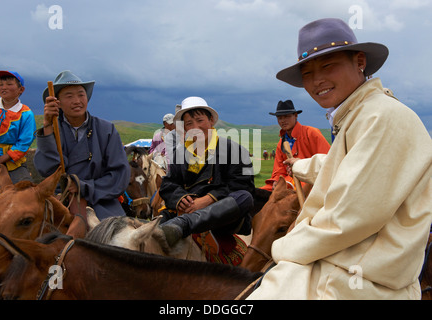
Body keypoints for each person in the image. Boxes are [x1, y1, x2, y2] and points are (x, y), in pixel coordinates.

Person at [248, 18, 432, 300]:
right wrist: (298, 165)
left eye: (327, 66)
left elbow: (349, 218)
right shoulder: (357, 116)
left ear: (359, 61)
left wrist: (284, 248)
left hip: (359, 276)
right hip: (342, 259)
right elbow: (340, 165)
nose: (316, 80)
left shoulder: (380, 116)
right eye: (307, 73)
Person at [159, 96, 255, 247]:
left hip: (221, 216)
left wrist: (208, 199)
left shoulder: (233, 149)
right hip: (188, 209)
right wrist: (181, 198)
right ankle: (181, 222)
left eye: (200, 120)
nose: (195, 127)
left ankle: (184, 223)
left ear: (211, 121)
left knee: (244, 197)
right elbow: (168, 184)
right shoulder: (180, 153)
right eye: (189, 123)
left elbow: (243, 185)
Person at [34, 70, 130, 220]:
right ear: (57, 102)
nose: (77, 101)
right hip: (61, 201)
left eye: (81, 94)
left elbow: (119, 175)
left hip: (101, 201)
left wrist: (84, 186)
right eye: (69, 96)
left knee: (117, 238)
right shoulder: (53, 130)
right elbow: (48, 170)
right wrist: (47, 126)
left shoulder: (106, 129)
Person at [261, 100, 330, 191]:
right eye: (280, 118)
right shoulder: (281, 142)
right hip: (288, 181)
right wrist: (277, 181)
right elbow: (279, 170)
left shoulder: (311, 133)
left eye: (287, 116)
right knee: (261, 192)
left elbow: (327, 160)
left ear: (295, 116)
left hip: (311, 180)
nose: (283, 121)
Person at [0, 70, 36, 183]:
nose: (3, 87)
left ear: (21, 90)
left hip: (11, 160)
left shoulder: (26, 114)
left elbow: (24, 143)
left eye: (9, 84)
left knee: (25, 189)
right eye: (1, 84)